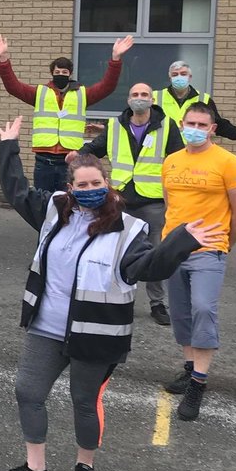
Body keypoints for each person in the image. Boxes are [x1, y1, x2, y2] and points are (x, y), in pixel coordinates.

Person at [0, 115, 220, 471]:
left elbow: (149, 268)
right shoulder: (54, 211)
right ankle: (35, 469)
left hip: (96, 335)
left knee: (84, 401)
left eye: (96, 183)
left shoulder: (128, 230)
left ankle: (85, 467)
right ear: (71, 188)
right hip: (46, 327)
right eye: (82, 185)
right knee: (27, 392)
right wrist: (8, 146)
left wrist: (182, 241)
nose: (90, 189)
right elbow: (16, 191)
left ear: (107, 184)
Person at [159, 102, 236, 421]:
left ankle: (198, 384)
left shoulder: (227, 162)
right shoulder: (171, 161)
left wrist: (224, 244)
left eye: (202, 125)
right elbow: (171, 204)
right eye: (191, 123)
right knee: (181, 313)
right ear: (181, 124)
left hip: (209, 251)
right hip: (173, 251)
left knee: (202, 309)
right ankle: (190, 368)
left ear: (212, 129)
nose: (195, 129)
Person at [73, 83, 184, 325]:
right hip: (120, 199)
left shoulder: (166, 126)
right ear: (128, 99)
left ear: (152, 99)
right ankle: (112, 296)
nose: (139, 98)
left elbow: (179, 159)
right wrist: (77, 154)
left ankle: (157, 303)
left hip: (152, 201)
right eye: (135, 94)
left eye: (144, 94)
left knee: (155, 253)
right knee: (112, 250)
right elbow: (95, 148)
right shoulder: (116, 125)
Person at [0, 32, 133, 193]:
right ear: (52, 73)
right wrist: (3, 59)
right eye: (57, 72)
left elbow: (107, 86)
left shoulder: (82, 94)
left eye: (64, 73)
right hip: (43, 160)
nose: (60, 75)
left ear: (70, 74)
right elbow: (13, 86)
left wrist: (115, 59)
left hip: (71, 159)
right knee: (43, 202)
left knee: (70, 201)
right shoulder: (39, 93)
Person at [154, 61, 236, 140]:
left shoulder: (204, 99)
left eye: (183, 74)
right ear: (170, 78)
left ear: (190, 77)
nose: (179, 77)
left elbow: (219, 124)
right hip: (165, 152)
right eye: (175, 74)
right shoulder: (155, 97)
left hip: (193, 151)